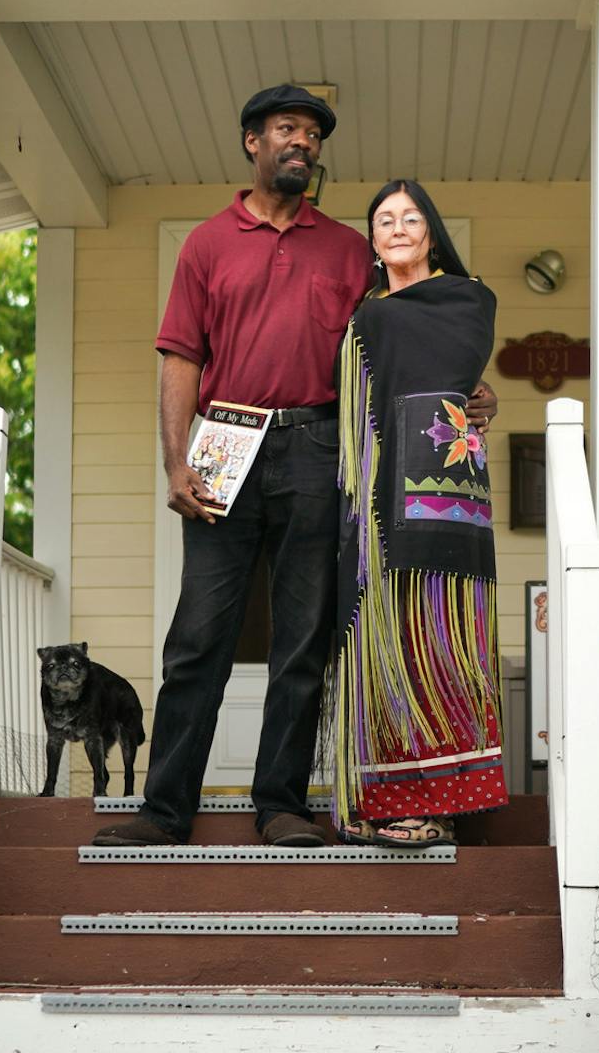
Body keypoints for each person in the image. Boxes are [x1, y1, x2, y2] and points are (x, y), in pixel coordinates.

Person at [91, 86, 495, 850]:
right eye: (286, 130)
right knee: (199, 636)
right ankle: (163, 811)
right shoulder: (207, 244)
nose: (301, 143)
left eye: (311, 134)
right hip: (224, 446)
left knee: (302, 639)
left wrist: (471, 389)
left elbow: (405, 338)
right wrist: (175, 462)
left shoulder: (347, 249)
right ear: (253, 142)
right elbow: (181, 354)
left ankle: (280, 805)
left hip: (317, 447)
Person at [325, 179, 504, 847]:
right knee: (381, 637)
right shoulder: (363, 316)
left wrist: (483, 399)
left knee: (440, 637)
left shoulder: (469, 297)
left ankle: (444, 799)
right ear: (373, 239)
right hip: (371, 488)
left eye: (410, 217)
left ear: (431, 231)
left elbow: (455, 372)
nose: (397, 228)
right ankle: (383, 799)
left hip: (442, 484)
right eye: (384, 220)